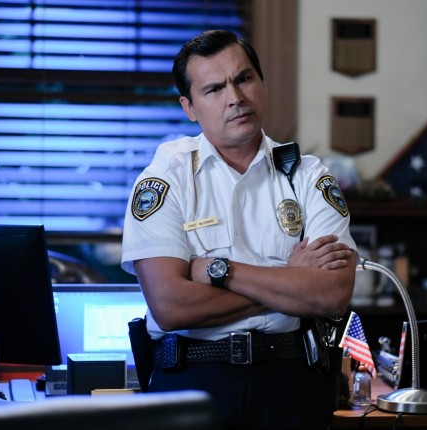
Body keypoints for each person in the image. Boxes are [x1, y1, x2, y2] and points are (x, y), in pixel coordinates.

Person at [121, 29, 358, 430]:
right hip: (193, 378)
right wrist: (289, 282)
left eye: (244, 79)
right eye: (214, 89)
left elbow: (332, 294)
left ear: (262, 85)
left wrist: (220, 271)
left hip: (292, 378)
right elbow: (170, 306)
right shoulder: (166, 179)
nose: (235, 97)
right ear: (189, 107)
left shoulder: (307, 176)